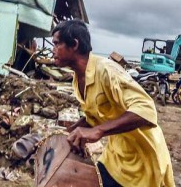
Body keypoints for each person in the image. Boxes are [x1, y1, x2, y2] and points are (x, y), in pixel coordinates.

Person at [51, 19, 175, 187]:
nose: (53, 50)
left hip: (143, 160)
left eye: (57, 44)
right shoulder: (78, 78)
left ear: (74, 44)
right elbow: (95, 117)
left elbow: (146, 109)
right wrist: (63, 136)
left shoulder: (107, 71)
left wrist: (98, 131)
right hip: (116, 156)